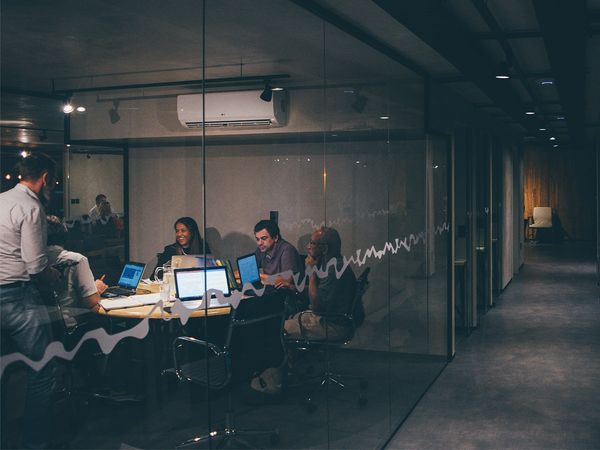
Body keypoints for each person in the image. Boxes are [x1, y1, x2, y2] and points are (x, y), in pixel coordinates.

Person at [0, 152, 60, 449]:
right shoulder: (31, 207)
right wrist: (54, 275)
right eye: (53, 181)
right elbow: (35, 264)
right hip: (16, 294)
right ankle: (35, 442)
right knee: (44, 366)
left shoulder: (2, 200)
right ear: (45, 178)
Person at [284, 227, 356, 341]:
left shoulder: (334, 269)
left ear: (324, 248)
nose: (308, 246)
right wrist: (292, 287)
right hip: (328, 319)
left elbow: (317, 307)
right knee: (288, 318)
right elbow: (319, 292)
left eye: (312, 243)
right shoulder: (333, 264)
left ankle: (290, 358)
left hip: (333, 325)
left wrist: (311, 271)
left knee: (280, 328)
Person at [46, 216, 108, 326]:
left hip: (39, 328)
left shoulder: (28, 262)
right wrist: (96, 288)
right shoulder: (76, 260)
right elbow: (91, 302)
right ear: (64, 236)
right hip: (71, 326)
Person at [253, 219, 300, 289]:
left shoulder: (287, 250)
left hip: (288, 294)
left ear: (275, 238)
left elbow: (287, 280)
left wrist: (258, 276)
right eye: (257, 239)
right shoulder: (262, 248)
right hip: (272, 289)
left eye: (264, 238)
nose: (259, 243)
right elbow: (248, 271)